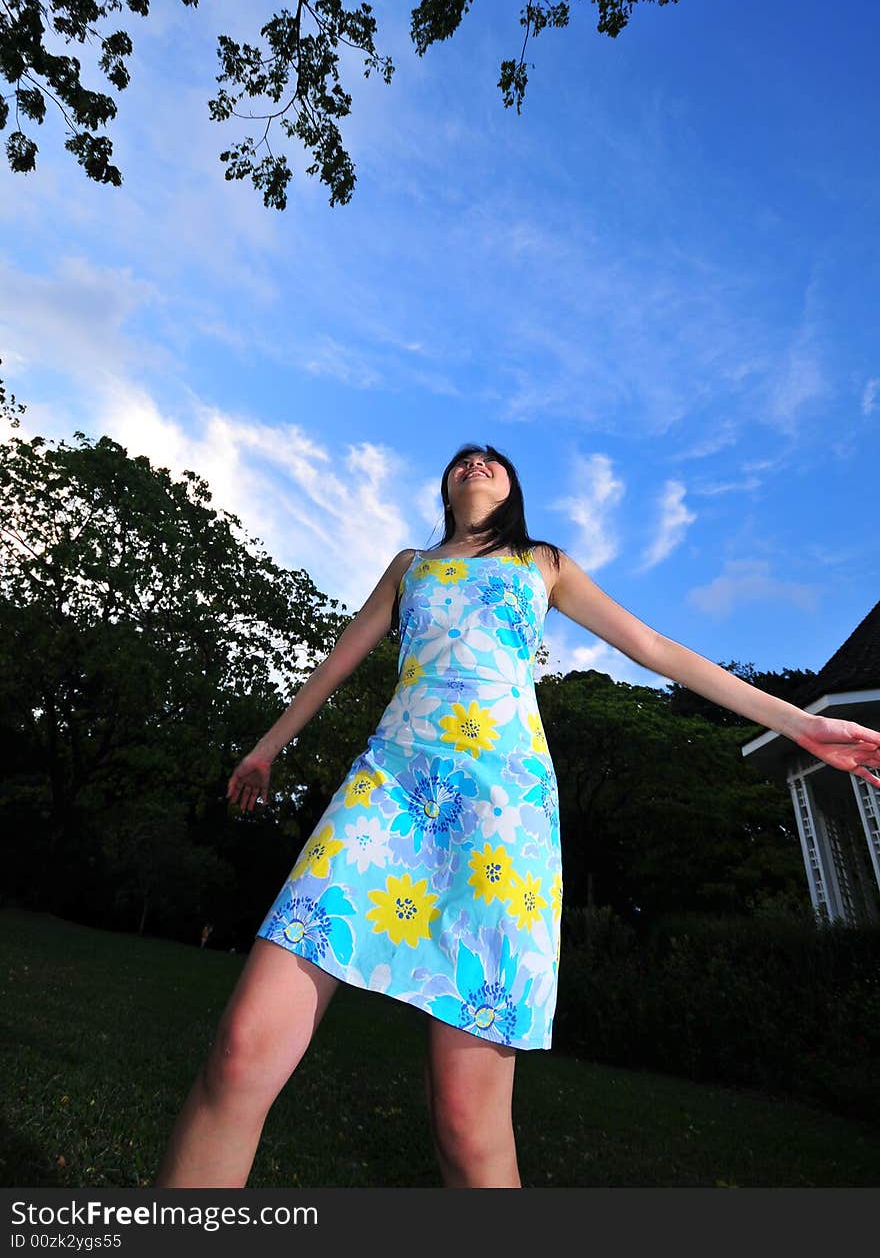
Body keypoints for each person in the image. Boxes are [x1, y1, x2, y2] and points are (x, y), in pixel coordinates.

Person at [155, 441, 880, 1189]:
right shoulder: (411, 567)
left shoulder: (544, 562)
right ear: (444, 486)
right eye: (463, 459)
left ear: (514, 489)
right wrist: (267, 747)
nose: (477, 462)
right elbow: (341, 659)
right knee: (242, 1048)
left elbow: (654, 646)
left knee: (467, 1124)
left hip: (502, 817)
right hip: (387, 790)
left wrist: (798, 722)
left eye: (493, 461)